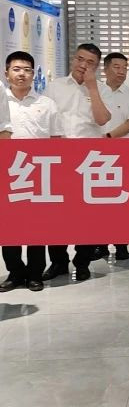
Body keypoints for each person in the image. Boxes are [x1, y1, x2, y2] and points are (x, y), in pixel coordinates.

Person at [44, 43, 112, 282]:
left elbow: (103, 120)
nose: (83, 65)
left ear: (97, 67)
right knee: (57, 214)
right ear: (73, 59)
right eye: (80, 59)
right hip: (58, 158)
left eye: (90, 62)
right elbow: (46, 120)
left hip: (89, 160)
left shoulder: (102, 88)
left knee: (87, 215)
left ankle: (82, 262)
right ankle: (58, 262)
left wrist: (92, 87)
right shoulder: (55, 87)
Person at [0, 51, 63, 292]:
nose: (22, 74)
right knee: (9, 227)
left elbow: (56, 140)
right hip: (8, 174)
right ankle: (15, 273)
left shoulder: (46, 104)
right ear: (6, 73)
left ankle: (35, 274)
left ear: (34, 74)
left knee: (37, 227)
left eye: (27, 70)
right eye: (16, 69)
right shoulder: (1, 102)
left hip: (39, 174)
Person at [92, 52, 129, 262]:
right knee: (99, 201)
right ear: (105, 69)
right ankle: (101, 244)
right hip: (97, 156)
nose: (121, 71)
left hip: (123, 155)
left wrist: (109, 137)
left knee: (121, 202)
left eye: (124, 68)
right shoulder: (96, 92)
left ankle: (122, 244)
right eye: (116, 67)